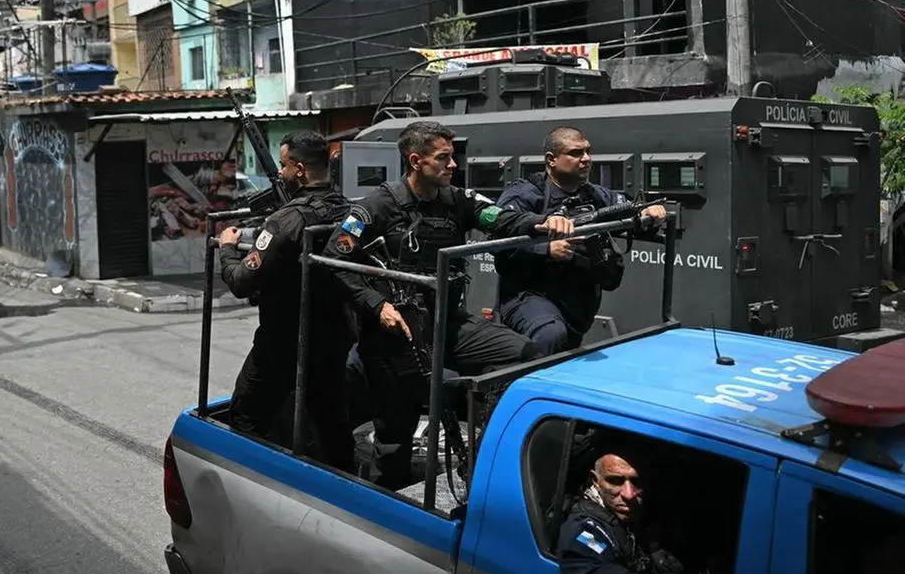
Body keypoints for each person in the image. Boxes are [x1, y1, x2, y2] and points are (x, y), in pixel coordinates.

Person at [320, 120, 574, 486]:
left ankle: (487, 447)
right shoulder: (376, 207)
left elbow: (500, 218)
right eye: (443, 158)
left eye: (452, 157)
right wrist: (378, 306)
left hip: (447, 322)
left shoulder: (456, 199)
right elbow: (334, 261)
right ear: (416, 160)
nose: (453, 165)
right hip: (394, 337)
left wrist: (543, 222)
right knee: (394, 442)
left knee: (529, 354)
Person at [218, 131, 356, 472]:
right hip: (333, 337)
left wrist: (225, 248)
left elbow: (241, 282)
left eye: (283, 166)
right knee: (331, 422)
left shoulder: (286, 220)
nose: (280, 173)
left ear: (299, 168)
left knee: (246, 416)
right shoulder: (351, 211)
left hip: (284, 341)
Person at [495, 126, 668, 356]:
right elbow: (499, 242)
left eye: (588, 151)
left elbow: (629, 212)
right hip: (528, 297)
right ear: (551, 160)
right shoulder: (526, 194)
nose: (586, 159)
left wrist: (650, 213)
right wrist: (547, 249)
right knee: (550, 336)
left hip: (576, 304)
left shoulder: (595, 195)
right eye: (576, 153)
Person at [558, 443, 731, 574]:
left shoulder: (642, 508)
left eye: (637, 481)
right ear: (595, 480)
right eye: (615, 481)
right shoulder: (584, 531)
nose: (628, 494)